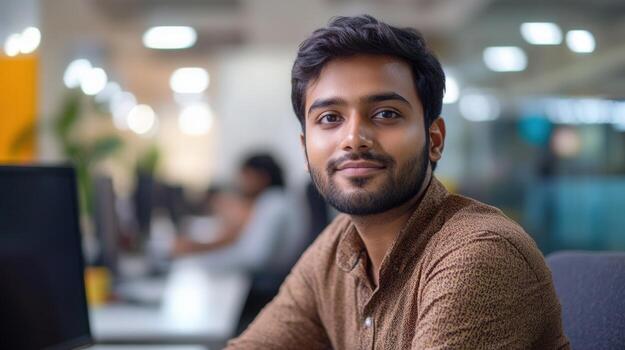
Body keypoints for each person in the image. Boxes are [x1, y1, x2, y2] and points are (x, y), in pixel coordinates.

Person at [227, 15, 570, 349]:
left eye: (386, 114)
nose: (354, 139)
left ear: (434, 140)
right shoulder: (337, 248)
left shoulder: (480, 254)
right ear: (305, 151)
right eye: (330, 118)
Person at [173, 153, 304, 274]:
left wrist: (205, 262)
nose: (240, 181)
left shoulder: (274, 203)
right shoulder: (276, 200)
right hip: (266, 278)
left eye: (246, 175)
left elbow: (254, 257)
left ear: (262, 177)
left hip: (265, 284)